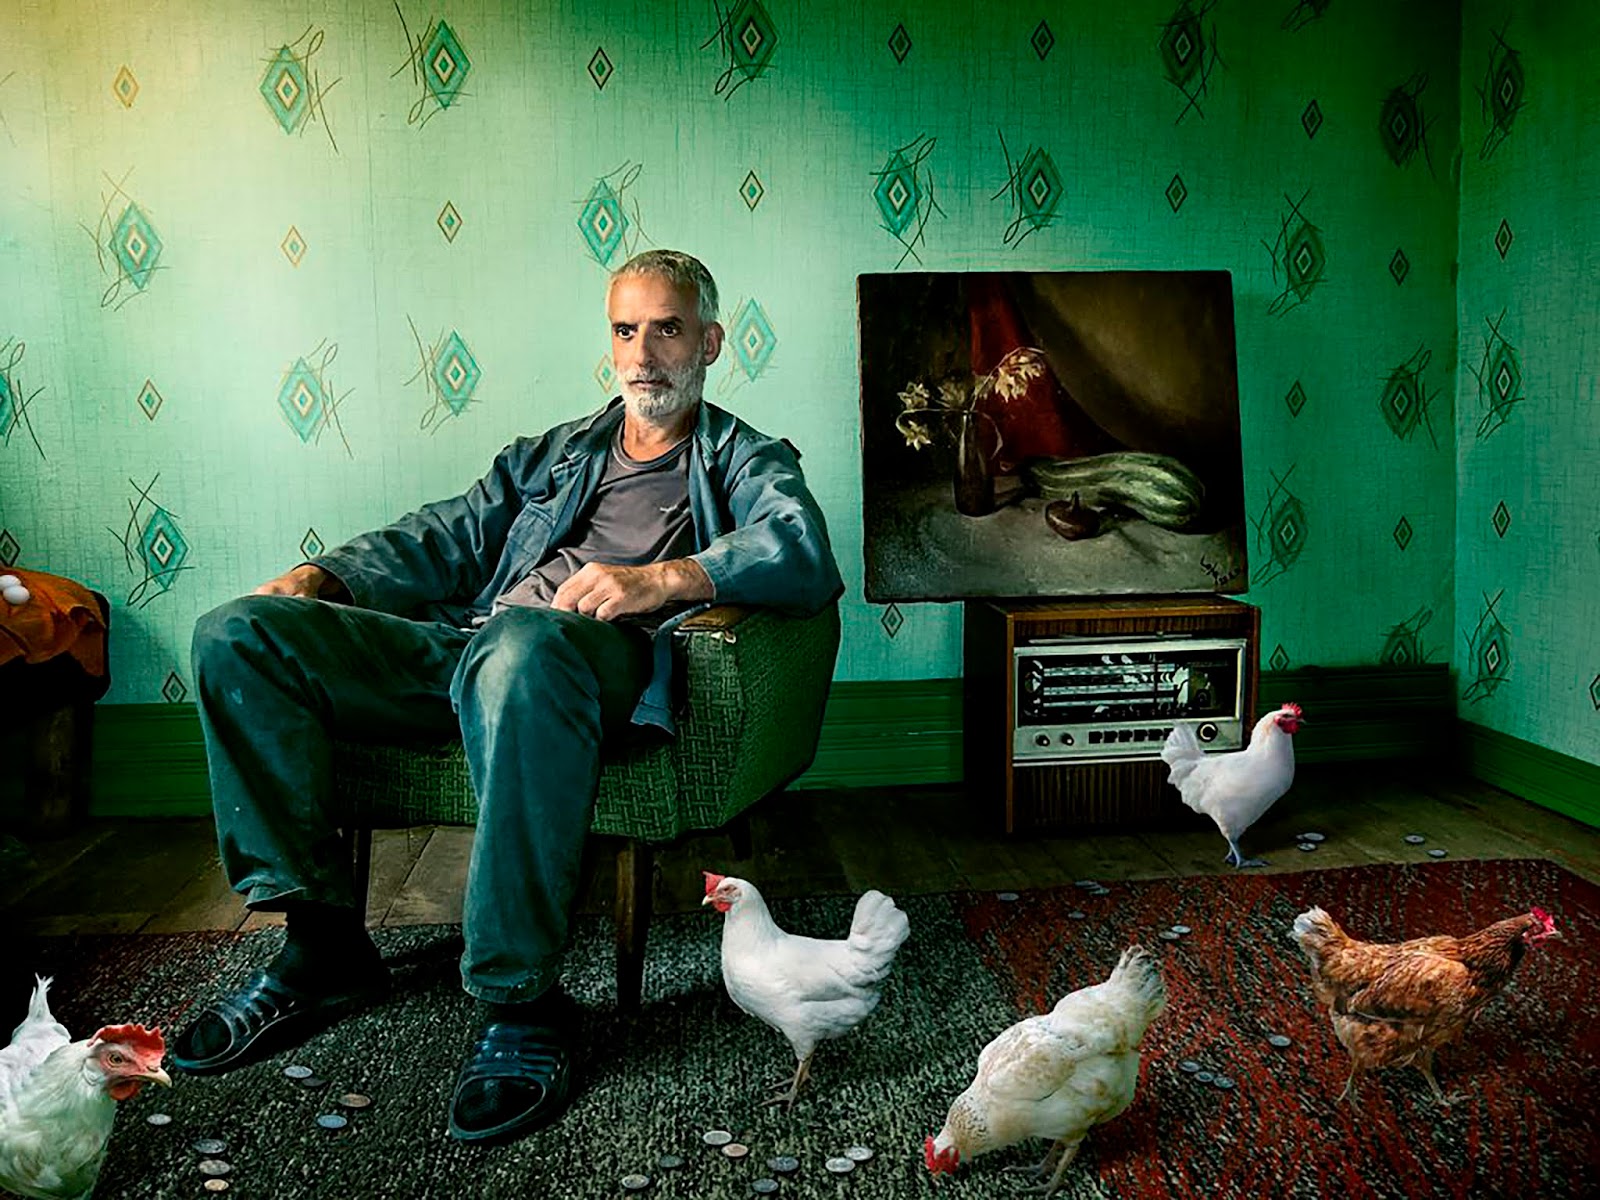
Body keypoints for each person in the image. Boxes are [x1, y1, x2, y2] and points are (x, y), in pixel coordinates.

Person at [170, 250, 844, 1146]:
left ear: (710, 343)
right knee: (238, 633)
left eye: (668, 329)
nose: (643, 353)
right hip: (473, 647)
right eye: (625, 330)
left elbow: (803, 550)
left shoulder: (744, 459)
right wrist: (326, 574)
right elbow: (446, 533)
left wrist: (663, 578)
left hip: (594, 663)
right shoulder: (557, 454)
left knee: (522, 647)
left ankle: (522, 998)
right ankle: (321, 943)